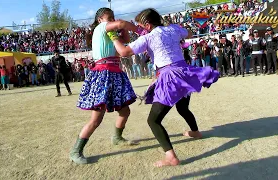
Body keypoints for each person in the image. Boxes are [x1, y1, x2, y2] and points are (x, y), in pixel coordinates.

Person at [111, 8, 219, 167]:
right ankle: (195, 132)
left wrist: (113, 36)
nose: (139, 29)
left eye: (140, 26)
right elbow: (188, 34)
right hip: (184, 73)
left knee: (153, 121)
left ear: (147, 25)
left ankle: (171, 157)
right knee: (183, 108)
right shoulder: (173, 29)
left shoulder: (147, 38)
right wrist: (175, 30)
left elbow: (124, 52)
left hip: (170, 77)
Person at [70, 8, 138, 165]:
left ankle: (117, 137)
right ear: (100, 19)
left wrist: (121, 30)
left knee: (125, 111)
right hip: (103, 74)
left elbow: (125, 41)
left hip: (114, 73)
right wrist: (137, 29)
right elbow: (121, 23)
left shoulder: (110, 33)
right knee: (96, 118)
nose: (113, 19)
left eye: (113, 17)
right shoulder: (100, 28)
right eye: (110, 17)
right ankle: (76, 151)